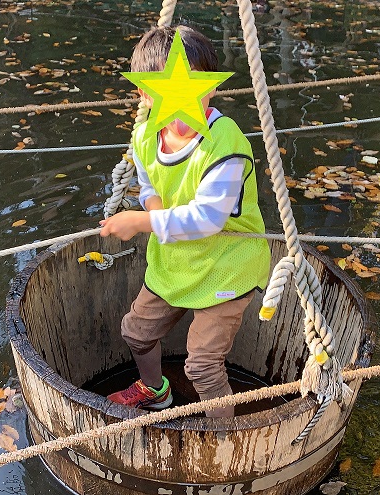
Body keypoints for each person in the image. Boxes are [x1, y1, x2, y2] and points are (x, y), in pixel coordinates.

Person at [99, 25, 270, 418]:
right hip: (177, 260)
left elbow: (209, 217)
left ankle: (224, 436)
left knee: (203, 366)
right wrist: (154, 208)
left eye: (195, 86)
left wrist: (142, 222)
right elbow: (148, 185)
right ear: (144, 93)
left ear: (211, 87)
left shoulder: (224, 143)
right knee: (136, 332)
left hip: (228, 264)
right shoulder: (145, 136)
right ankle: (155, 390)